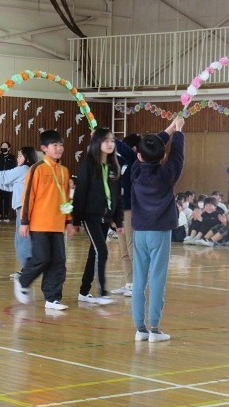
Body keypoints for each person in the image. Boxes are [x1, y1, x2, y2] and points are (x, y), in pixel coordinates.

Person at [131, 117, 185, 343]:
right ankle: (154, 328)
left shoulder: (135, 171)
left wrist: (169, 130)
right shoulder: (167, 174)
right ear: (163, 157)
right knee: (157, 279)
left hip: (139, 232)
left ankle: (140, 328)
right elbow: (177, 155)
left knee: (139, 279)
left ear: (139, 156)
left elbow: (149, 149)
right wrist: (178, 132)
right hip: (159, 232)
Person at [14, 130, 77, 311]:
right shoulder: (37, 169)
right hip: (39, 224)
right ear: (44, 148)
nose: (59, 148)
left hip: (57, 225)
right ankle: (23, 280)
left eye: (61, 145)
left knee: (58, 262)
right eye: (54, 145)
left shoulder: (64, 171)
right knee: (42, 258)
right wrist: (24, 221)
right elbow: (28, 196)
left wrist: (69, 221)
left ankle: (52, 298)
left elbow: (66, 199)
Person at [73, 128, 124, 305]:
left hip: (106, 217)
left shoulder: (113, 166)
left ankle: (84, 291)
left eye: (112, 141)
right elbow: (80, 193)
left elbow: (117, 196)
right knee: (102, 251)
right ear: (97, 143)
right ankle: (102, 292)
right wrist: (76, 219)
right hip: (90, 216)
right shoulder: (88, 165)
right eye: (106, 141)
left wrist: (118, 220)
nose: (110, 144)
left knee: (94, 253)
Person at [0, 146, 38, 276]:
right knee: (22, 239)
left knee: (22, 240)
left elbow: (5, 176)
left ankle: (28, 270)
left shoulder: (24, 169)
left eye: (20, 156)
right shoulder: (28, 170)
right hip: (23, 208)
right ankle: (27, 269)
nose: (17, 158)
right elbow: (11, 186)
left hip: (24, 209)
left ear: (27, 158)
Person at [111, 134, 140, 297]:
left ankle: (138, 283)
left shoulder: (136, 162)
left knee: (131, 247)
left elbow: (123, 150)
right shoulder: (122, 163)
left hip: (130, 210)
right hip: (120, 210)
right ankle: (129, 283)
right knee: (123, 249)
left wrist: (108, 137)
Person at [0, 141, 17, 222]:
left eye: (5, 146)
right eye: (2, 146)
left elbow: (14, 169)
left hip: (8, 182)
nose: (3, 147)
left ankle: (6, 215)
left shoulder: (12, 157)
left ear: (9, 148)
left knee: (7, 198)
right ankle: (0, 215)